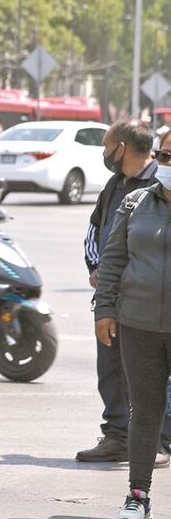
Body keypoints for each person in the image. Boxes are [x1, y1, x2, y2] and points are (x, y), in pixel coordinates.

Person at [80, 120, 171, 466]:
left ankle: (160, 442)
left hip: (150, 305)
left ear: (122, 147)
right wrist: (95, 269)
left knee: (154, 379)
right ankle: (117, 436)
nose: (105, 153)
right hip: (115, 299)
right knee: (112, 370)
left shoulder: (158, 184)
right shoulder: (115, 186)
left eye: (107, 146)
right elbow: (95, 231)